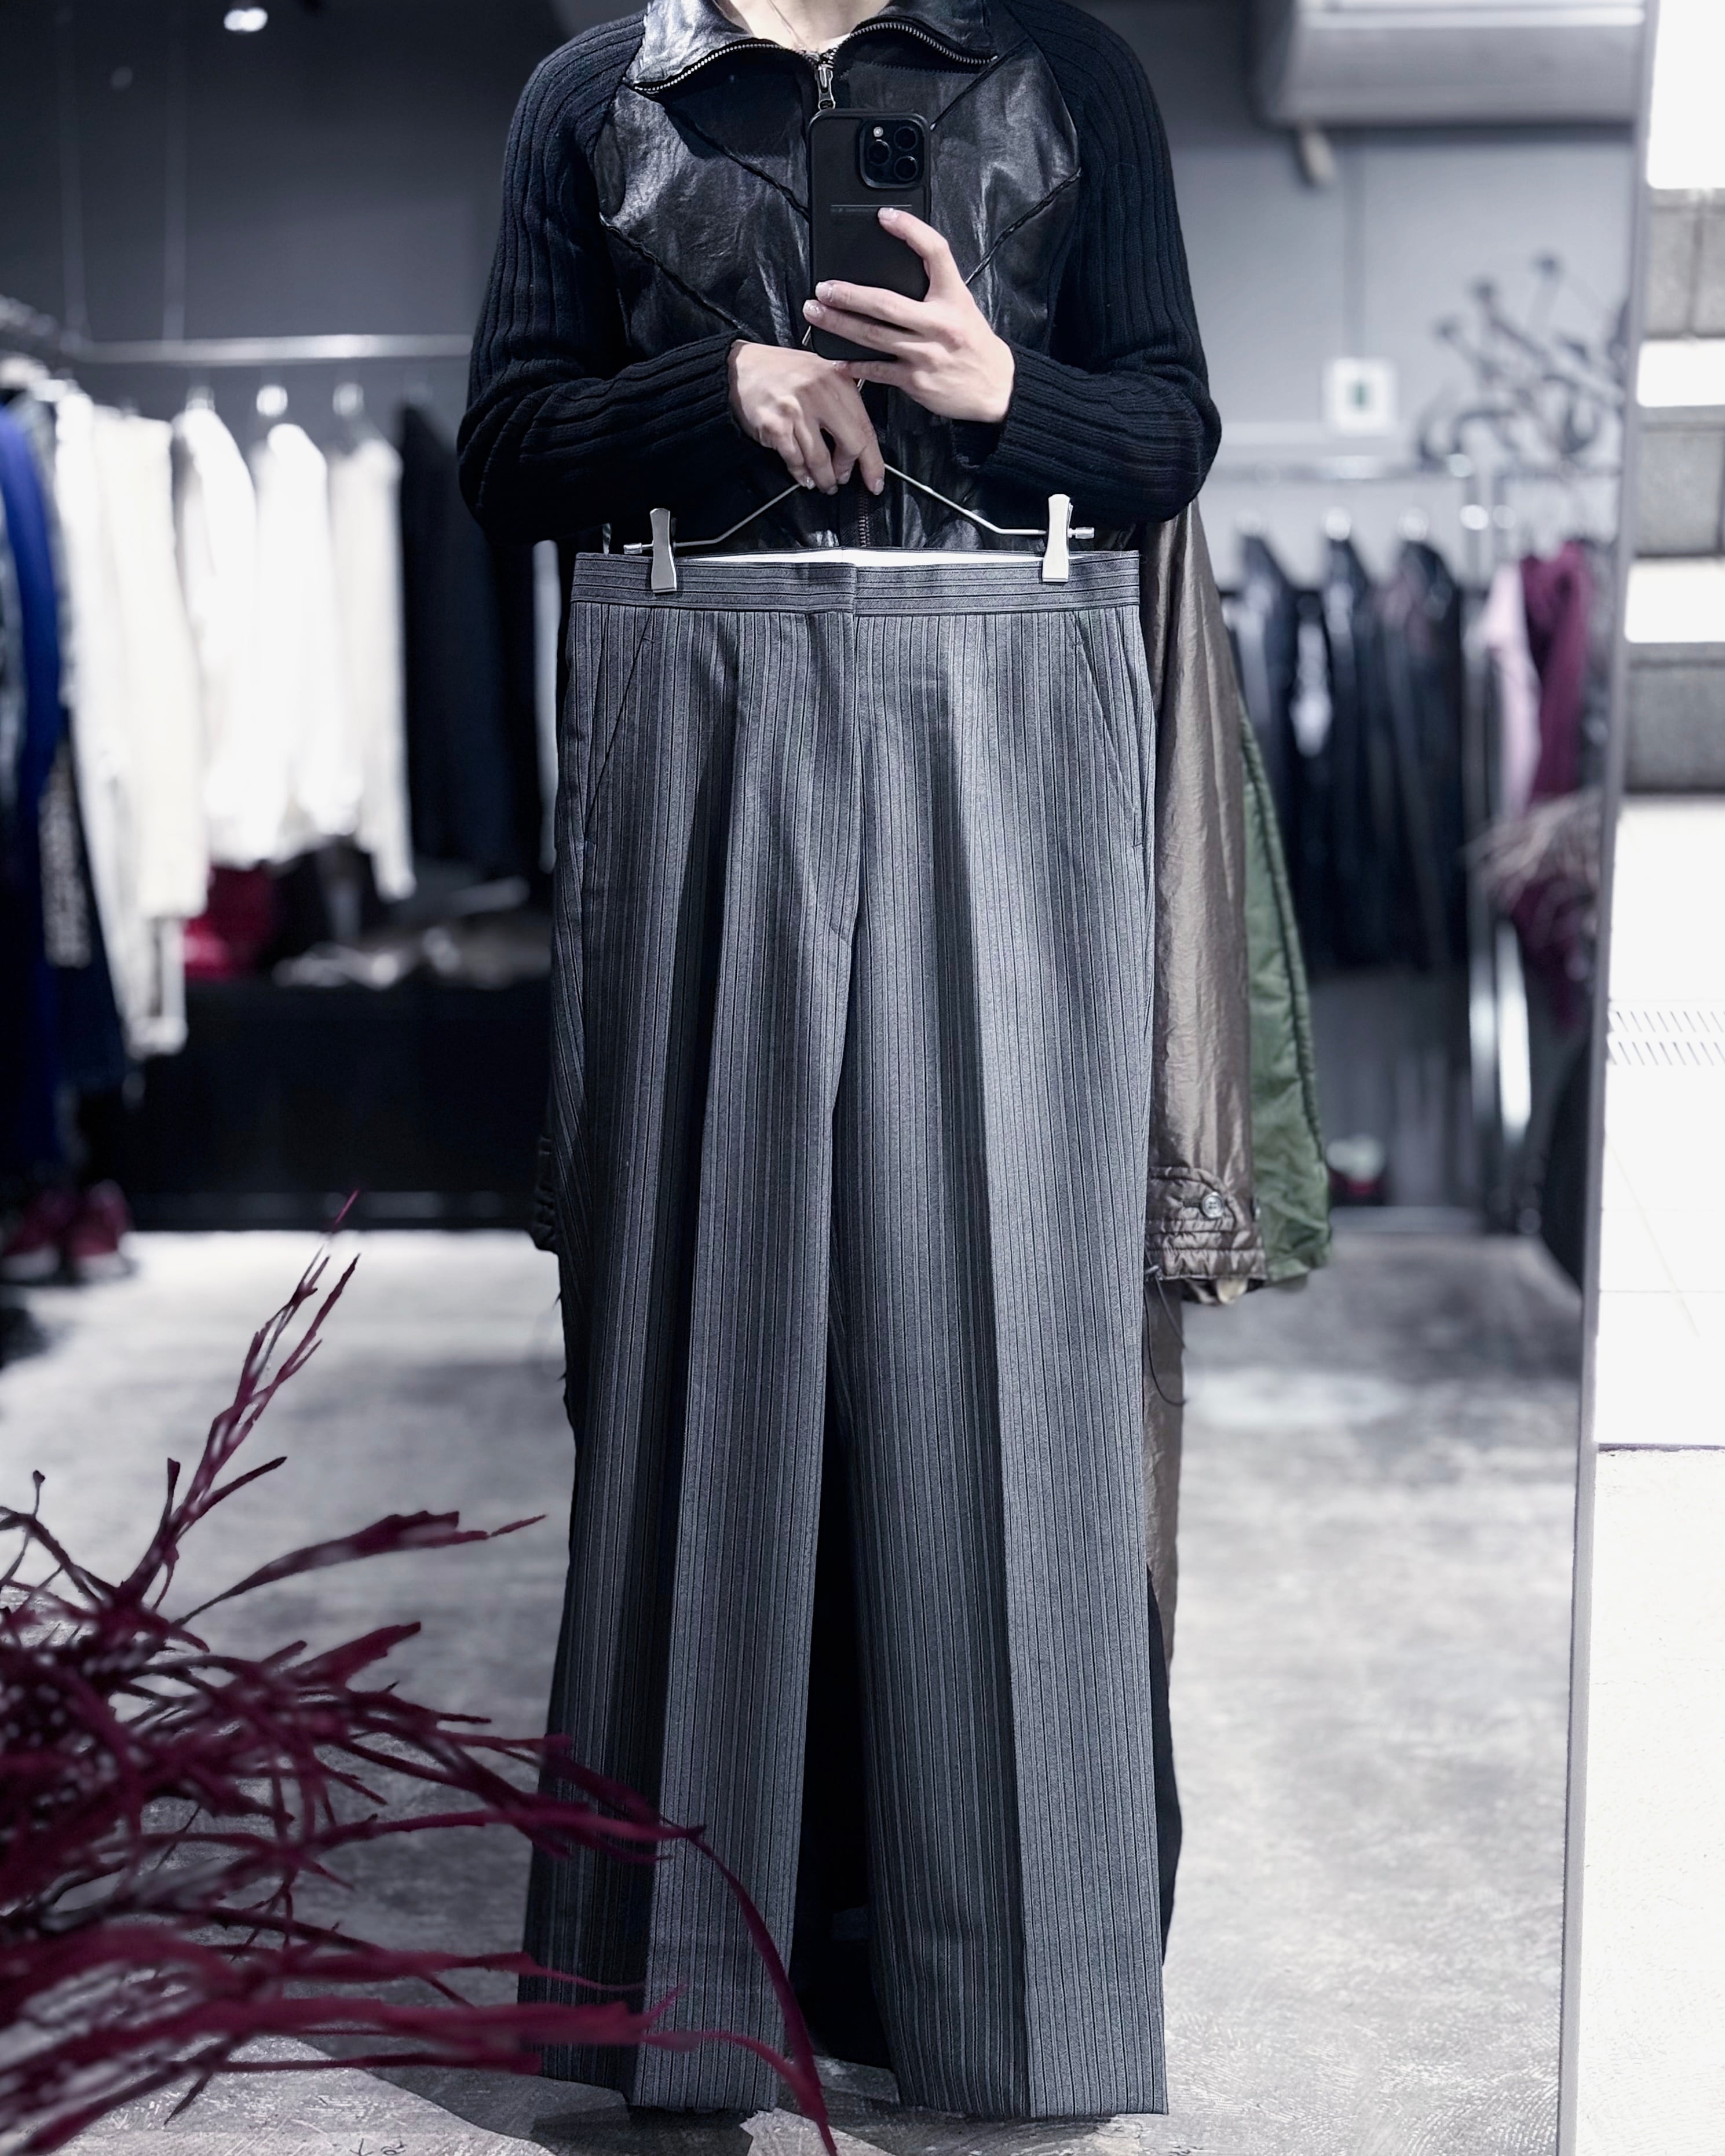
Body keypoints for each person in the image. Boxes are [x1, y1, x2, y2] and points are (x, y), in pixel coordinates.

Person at [460, 0, 1219, 2119]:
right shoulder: (592, 95)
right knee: (692, 1337)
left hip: (1015, 684)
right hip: (695, 693)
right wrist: (708, 392)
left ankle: (1009, 2000)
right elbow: (502, 453)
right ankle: (684, 1990)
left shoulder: (1064, 69)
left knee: (1011, 1346)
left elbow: (1170, 436)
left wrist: (1003, 389)